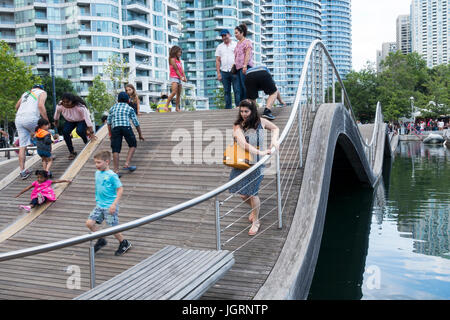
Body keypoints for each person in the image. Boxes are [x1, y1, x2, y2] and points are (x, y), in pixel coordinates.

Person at [228, 99, 280, 236]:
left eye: (246, 111)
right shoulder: (238, 125)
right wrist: (262, 152)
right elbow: (244, 144)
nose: (244, 114)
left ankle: (256, 221)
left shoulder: (261, 121)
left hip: (258, 162)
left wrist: (274, 140)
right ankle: (254, 209)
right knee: (242, 194)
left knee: (253, 192)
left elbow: (275, 128)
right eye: (242, 111)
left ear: (253, 111)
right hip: (241, 161)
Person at [85, 150, 131, 256]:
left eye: (99, 162)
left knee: (113, 228)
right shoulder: (97, 173)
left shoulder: (112, 175)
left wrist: (114, 204)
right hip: (100, 205)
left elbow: (120, 189)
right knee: (89, 223)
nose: (96, 165)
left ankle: (124, 243)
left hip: (110, 206)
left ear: (107, 162)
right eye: (95, 162)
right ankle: (101, 239)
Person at [14, 84, 49, 180]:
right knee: (44, 136)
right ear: (41, 88)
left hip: (19, 118)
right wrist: (46, 120)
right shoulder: (42, 92)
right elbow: (41, 106)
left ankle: (23, 171)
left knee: (22, 145)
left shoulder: (26, 93)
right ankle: (46, 165)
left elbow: (17, 106)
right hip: (32, 117)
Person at [107, 92, 145, 176]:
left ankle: (116, 171)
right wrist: (140, 134)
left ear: (118, 100)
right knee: (133, 144)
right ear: (128, 100)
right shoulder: (129, 108)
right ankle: (127, 164)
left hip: (115, 128)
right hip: (126, 127)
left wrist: (110, 134)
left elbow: (108, 123)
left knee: (115, 149)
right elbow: (136, 123)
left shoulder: (112, 108)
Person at [54, 93, 96, 160]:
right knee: (65, 132)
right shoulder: (60, 105)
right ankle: (72, 152)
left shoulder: (80, 107)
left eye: (67, 102)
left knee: (79, 131)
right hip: (70, 120)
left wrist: (91, 132)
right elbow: (57, 114)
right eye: (64, 102)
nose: (65, 104)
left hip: (81, 120)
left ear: (72, 101)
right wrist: (56, 122)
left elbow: (87, 119)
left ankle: (86, 141)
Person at [215, 29, 239, 109]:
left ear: (229, 35)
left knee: (236, 89)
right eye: (222, 36)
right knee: (226, 91)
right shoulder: (219, 47)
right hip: (224, 72)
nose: (224, 37)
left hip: (234, 71)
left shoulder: (236, 45)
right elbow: (218, 60)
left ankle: (238, 106)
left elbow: (239, 57)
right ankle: (228, 108)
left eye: (225, 35)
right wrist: (218, 73)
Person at [234, 24, 254, 102]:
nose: (235, 35)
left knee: (245, 86)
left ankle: (247, 103)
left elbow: (247, 54)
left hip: (245, 67)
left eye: (236, 33)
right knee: (239, 87)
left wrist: (245, 65)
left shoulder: (247, 42)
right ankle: (242, 103)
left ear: (242, 33)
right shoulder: (238, 43)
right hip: (238, 68)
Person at [165, 46, 187, 112]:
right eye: (179, 52)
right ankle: (166, 105)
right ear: (175, 51)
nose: (180, 53)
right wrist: (181, 77)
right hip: (174, 77)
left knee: (178, 94)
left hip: (179, 78)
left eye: (180, 52)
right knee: (174, 92)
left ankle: (177, 108)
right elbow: (176, 69)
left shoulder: (179, 60)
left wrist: (184, 77)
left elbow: (182, 69)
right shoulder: (172, 59)